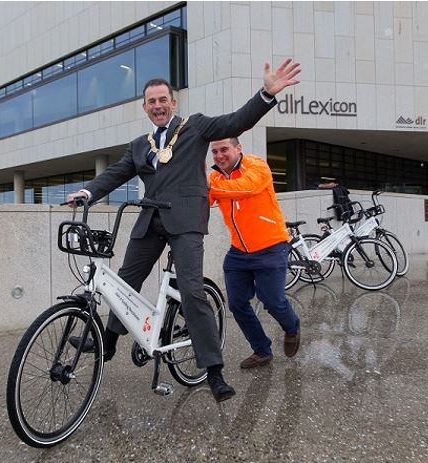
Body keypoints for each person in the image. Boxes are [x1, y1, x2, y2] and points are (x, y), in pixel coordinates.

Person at [66, 59, 301, 402]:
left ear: (173, 103)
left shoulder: (196, 127)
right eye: (152, 102)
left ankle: (214, 372)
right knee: (123, 282)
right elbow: (114, 174)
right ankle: (110, 342)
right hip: (150, 220)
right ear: (144, 107)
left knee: (191, 292)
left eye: (163, 100)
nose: (158, 106)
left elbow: (237, 121)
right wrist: (87, 193)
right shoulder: (139, 145)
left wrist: (266, 94)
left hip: (187, 223)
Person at [207, 137, 301, 368]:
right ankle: (262, 350)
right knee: (237, 304)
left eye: (224, 149)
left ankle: (292, 327)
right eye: (215, 151)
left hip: (271, 247)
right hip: (239, 251)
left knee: (272, 301)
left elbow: (246, 187)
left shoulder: (257, 165)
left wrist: (206, 187)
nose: (219, 156)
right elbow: (202, 201)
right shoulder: (215, 178)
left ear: (238, 148)